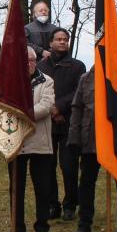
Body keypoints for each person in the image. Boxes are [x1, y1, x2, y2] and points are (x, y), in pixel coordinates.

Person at [67, 64, 117, 232]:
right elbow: (77, 108)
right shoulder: (86, 78)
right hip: (90, 138)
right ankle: (84, 223)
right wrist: (74, 137)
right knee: (86, 182)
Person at [7, 47, 56, 232]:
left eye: (31, 60)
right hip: (15, 141)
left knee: (43, 187)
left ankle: (42, 227)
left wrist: (22, 112)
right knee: (16, 187)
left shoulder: (47, 81)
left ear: (36, 61)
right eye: (24, 60)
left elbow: (46, 106)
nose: (28, 64)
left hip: (40, 142)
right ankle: (17, 227)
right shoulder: (9, 81)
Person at [37, 28, 86, 221]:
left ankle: (70, 204)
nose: (63, 42)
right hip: (46, 122)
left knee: (69, 166)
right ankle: (52, 205)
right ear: (50, 43)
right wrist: (51, 108)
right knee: (47, 167)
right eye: (59, 39)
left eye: (65, 39)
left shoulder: (77, 66)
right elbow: (38, 91)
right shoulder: (41, 66)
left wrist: (60, 107)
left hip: (69, 122)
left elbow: (79, 91)